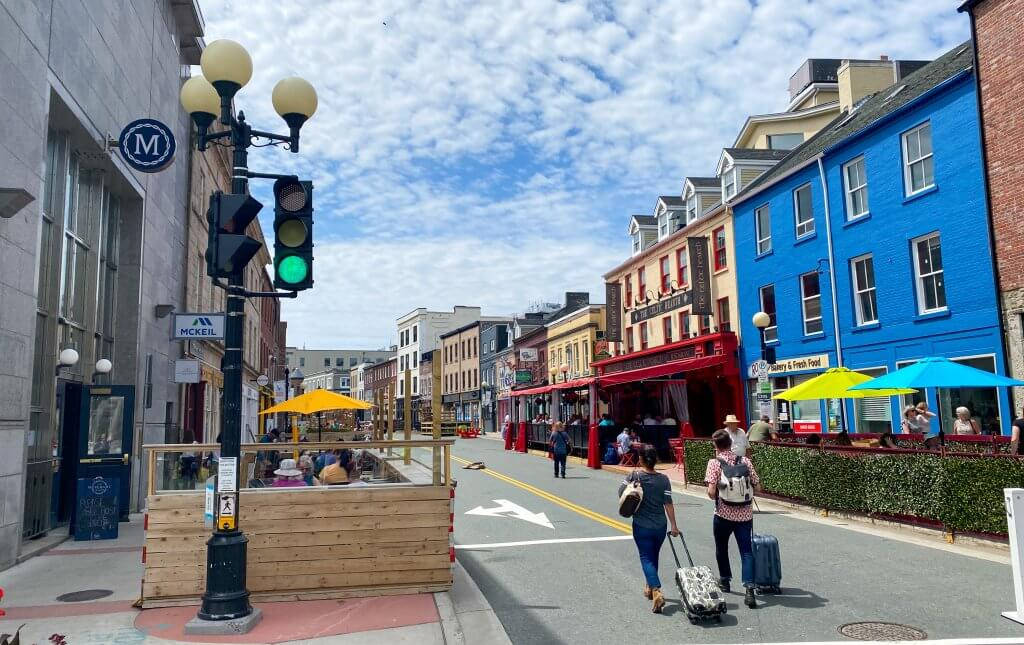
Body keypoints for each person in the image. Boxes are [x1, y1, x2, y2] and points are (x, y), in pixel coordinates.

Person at [618, 446, 679, 613]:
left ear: (641, 460)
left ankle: (656, 589)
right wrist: (673, 525)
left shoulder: (634, 476)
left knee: (646, 557)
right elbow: (668, 503)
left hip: (641, 524)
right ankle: (649, 588)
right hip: (660, 525)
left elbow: (620, 491)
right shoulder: (664, 479)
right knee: (654, 556)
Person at [705, 429, 760, 609]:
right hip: (745, 515)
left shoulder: (714, 463)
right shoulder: (745, 461)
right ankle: (750, 589)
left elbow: (712, 493)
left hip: (723, 514)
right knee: (746, 551)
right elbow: (757, 487)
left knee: (722, 548)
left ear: (716, 446)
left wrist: (722, 491)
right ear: (730, 443)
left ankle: (725, 580)